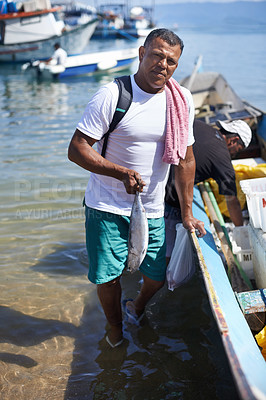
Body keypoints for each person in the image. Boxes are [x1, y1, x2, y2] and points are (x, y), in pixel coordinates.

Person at [68, 28, 206, 348]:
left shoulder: (180, 99)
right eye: (157, 55)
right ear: (142, 53)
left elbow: (186, 161)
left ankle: (137, 306)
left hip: (152, 208)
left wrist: (186, 214)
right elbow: (77, 149)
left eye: (171, 61)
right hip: (105, 205)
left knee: (157, 276)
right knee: (108, 277)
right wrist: (119, 173)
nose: (162, 65)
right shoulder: (112, 95)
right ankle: (115, 328)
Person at [165, 118, 252, 263]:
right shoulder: (223, 160)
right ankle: (162, 280)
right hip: (171, 197)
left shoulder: (199, 125)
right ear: (233, 141)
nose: (235, 155)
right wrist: (241, 232)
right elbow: (232, 202)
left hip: (156, 178)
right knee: (169, 250)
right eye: (239, 150)